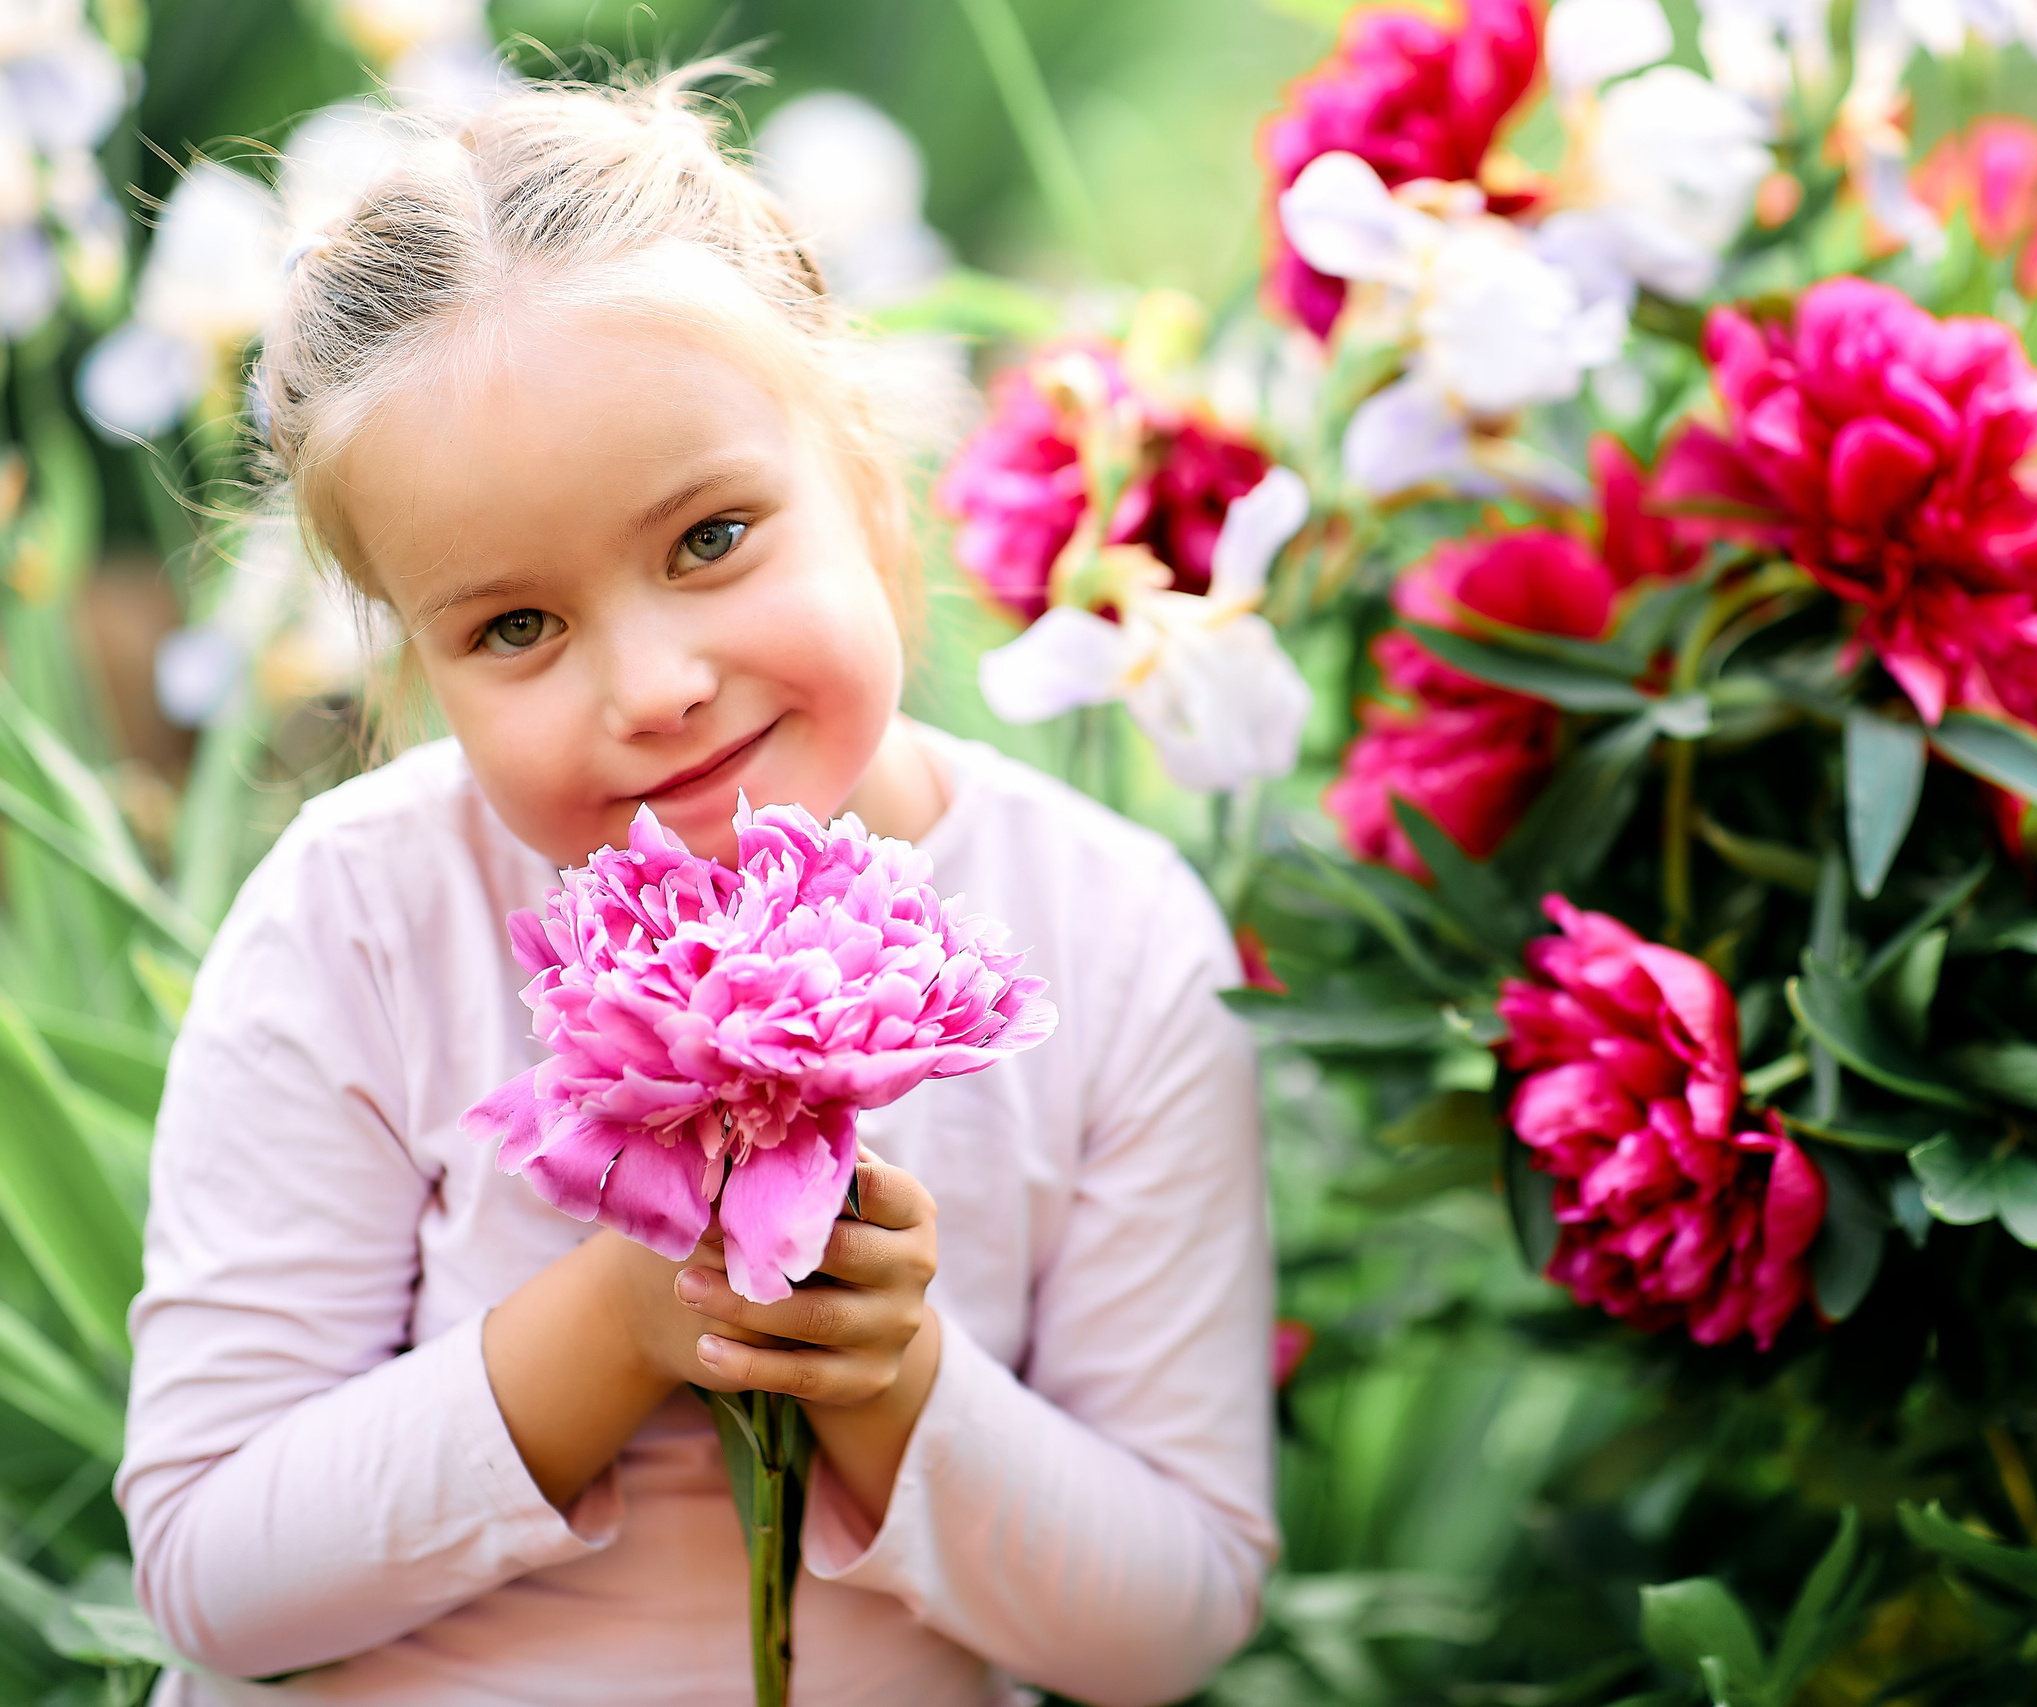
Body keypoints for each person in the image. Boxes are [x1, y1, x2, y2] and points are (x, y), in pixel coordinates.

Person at [114, 64, 1274, 1707]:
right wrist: (627, 1317)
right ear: (418, 661)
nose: (651, 684)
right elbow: (212, 1578)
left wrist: (887, 1378)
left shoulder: (1109, 933)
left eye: (712, 537)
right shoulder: (359, 920)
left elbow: (1170, 1619)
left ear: (865, 481)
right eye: (514, 627)